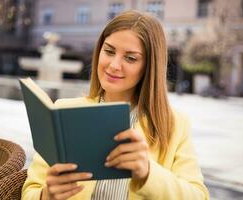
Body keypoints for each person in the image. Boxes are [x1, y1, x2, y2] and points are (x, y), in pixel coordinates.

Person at [22, 10, 209, 200]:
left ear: (149, 66)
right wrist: (46, 196)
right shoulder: (64, 111)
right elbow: (30, 191)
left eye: (130, 58)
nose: (113, 65)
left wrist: (148, 173)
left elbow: (199, 196)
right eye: (109, 51)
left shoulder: (174, 124)